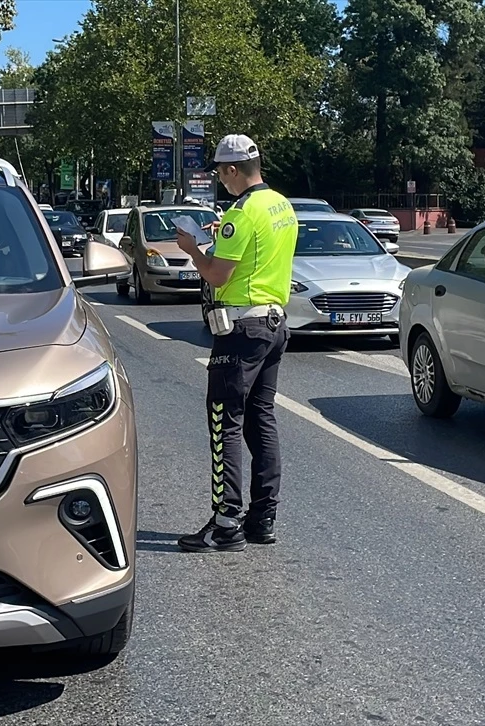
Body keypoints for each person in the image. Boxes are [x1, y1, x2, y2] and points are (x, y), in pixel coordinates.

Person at [173, 133, 298, 553]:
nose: (219, 180)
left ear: (231, 170)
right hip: (275, 325)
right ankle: (262, 520)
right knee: (262, 421)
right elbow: (253, 254)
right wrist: (222, 234)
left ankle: (226, 523)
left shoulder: (239, 215)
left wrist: (193, 249)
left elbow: (217, 274)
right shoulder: (280, 205)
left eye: (220, 172)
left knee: (225, 422)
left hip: (241, 330)